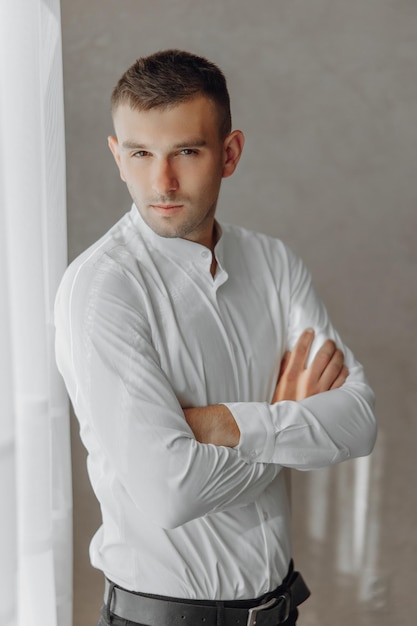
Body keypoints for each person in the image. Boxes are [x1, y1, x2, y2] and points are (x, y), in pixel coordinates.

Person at [54, 49, 377, 626]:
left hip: (280, 613)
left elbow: (358, 422)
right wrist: (286, 423)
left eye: (186, 151)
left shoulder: (274, 264)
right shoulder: (102, 290)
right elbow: (169, 493)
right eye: (140, 154)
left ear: (229, 154)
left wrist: (225, 423)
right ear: (116, 156)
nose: (162, 181)